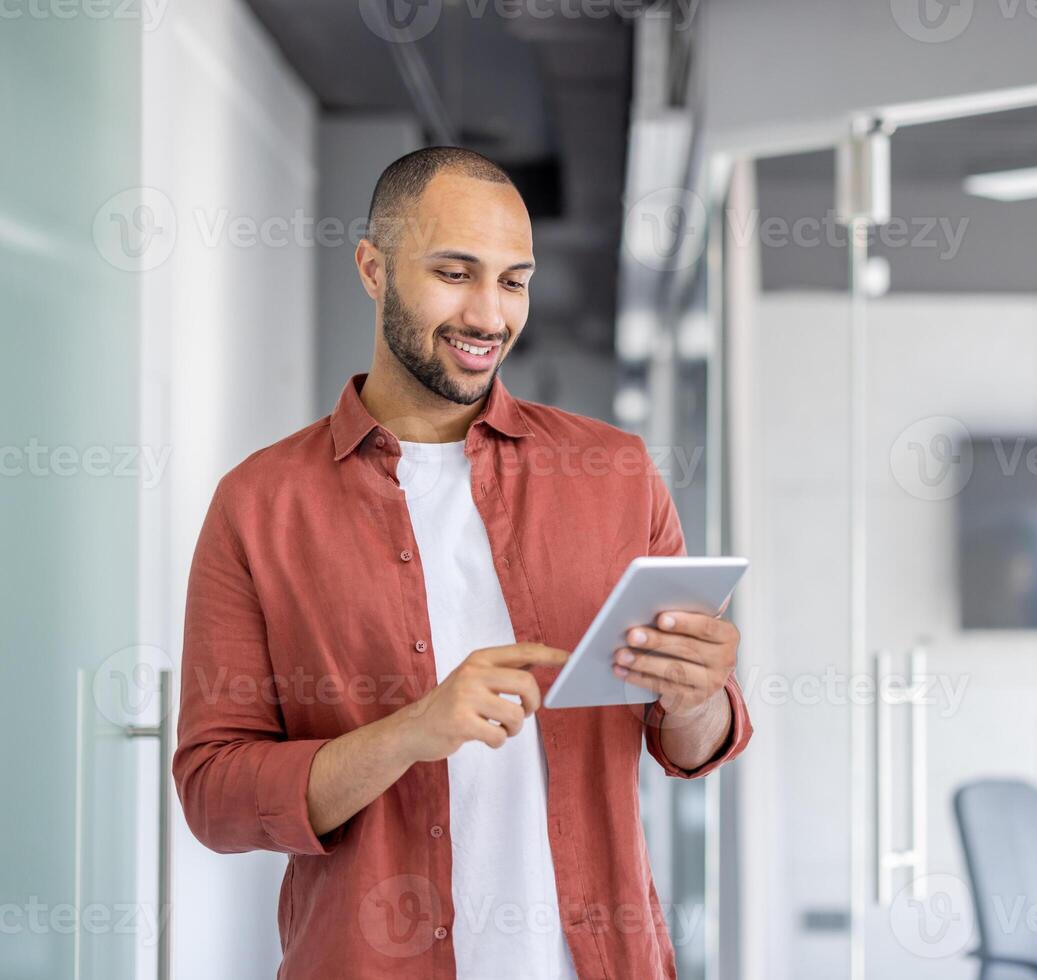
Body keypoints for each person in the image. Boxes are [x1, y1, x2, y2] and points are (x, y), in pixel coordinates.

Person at [172, 146, 752, 979]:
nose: (489, 314)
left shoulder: (617, 474)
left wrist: (697, 696)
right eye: (454, 272)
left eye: (514, 281)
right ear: (373, 269)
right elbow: (215, 797)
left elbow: (692, 744)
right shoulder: (259, 505)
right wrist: (411, 733)